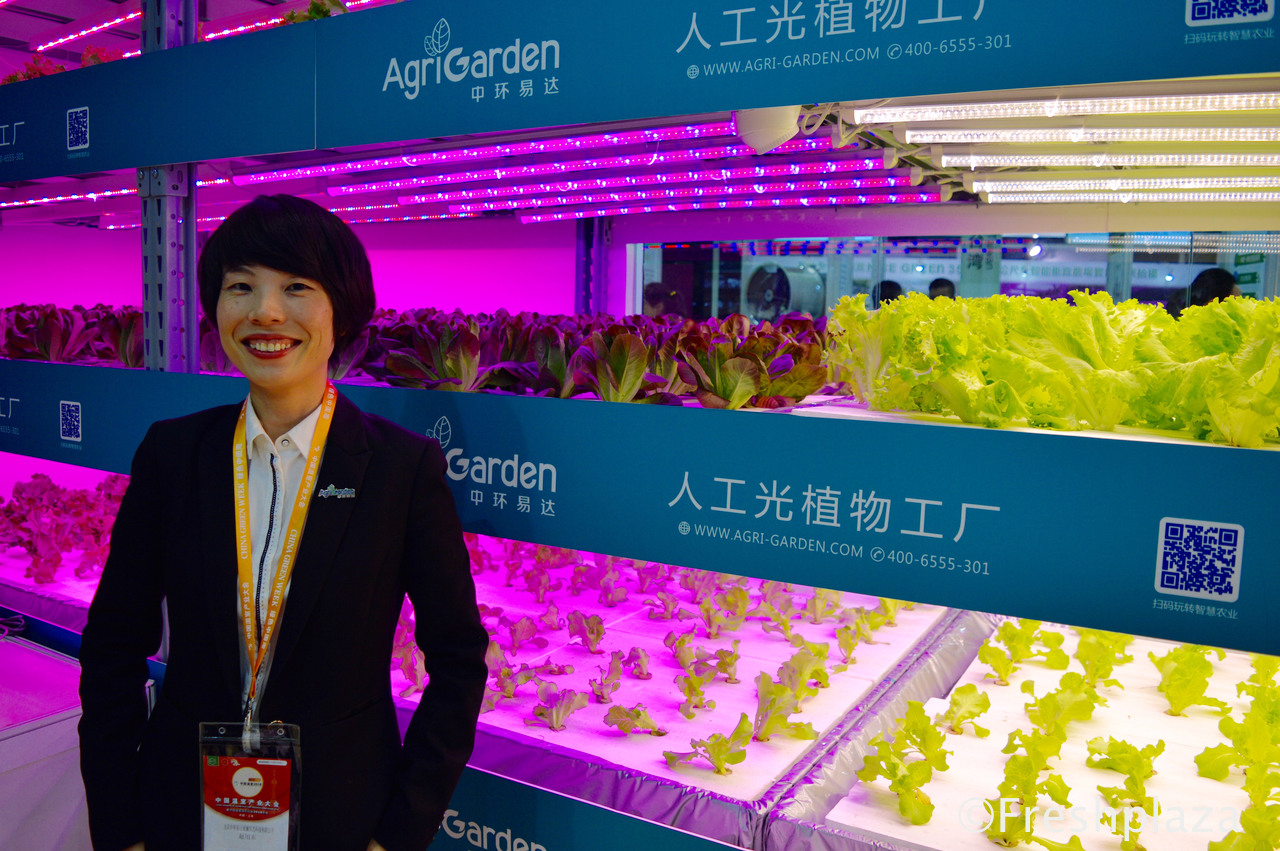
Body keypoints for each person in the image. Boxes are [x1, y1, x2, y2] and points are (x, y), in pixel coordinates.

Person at [78, 195, 489, 851]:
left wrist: (399, 834)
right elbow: (112, 646)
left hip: (342, 818)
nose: (266, 311)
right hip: (179, 810)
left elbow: (459, 662)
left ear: (342, 310)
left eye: (296, 287)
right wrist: (121, 828)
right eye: (240, 286)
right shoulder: (172, 454)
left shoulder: (400, 468)